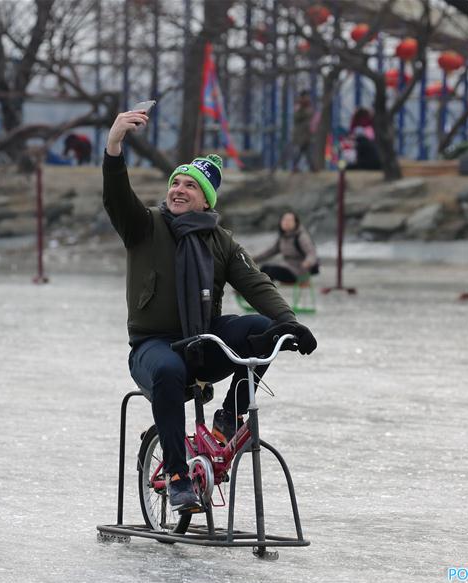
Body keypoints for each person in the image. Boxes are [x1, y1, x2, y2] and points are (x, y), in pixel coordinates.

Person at [102, 109, 317, 513]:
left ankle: (227, 419)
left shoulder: (220, 241)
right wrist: (114, 147)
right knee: (166, 371)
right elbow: (116, 198)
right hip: (153, 345)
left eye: (190, 186)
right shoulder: (145, 225)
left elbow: (255, 283)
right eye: (175, 183)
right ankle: (178, 476)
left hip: (200, 342)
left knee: (264, 329)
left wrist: (289, 322)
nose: (179, 190)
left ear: (206, 199)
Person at [253, 211, 319, 283]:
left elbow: (312, 253)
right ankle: (254, 290)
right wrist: (254, 259)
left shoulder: (301, 236)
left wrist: (308, 262)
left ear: (296, 223)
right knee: (264, 268)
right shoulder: (283, 236)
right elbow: (270, 251)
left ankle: (260, 291)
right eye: (284, 220)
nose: (286, 222)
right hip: (287, 267)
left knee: (271, 272)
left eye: (289, 220)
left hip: (300, 271)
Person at [290, 91, 317, 172]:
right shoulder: (299, 106)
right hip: (299, 133)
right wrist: (304, 112)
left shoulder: (308, 106)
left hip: (306, 133)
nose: (307, 98)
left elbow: (312, 115)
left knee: (306, 150)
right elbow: (296, 117)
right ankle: (298, 166)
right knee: (300, 150)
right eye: (306, 97)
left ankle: (311, 167)